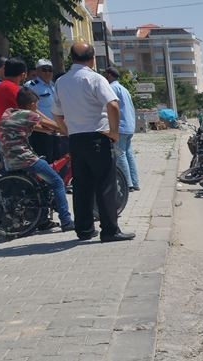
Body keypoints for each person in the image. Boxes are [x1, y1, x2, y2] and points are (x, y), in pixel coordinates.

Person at [52, 42, 134, 242]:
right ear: (92, 58)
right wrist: (114, 132)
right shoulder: (95, 79)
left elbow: (57, 115)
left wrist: (68, 132)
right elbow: (113, 105)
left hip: (76, 139)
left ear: (71, 58)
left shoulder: (61, 82)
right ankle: (109, 230)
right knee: (106, 184)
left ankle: (85, 229)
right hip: (98, 136)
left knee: (81, 185)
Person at [0, 88, 74, 232]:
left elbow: (39, 127)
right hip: (24, 158)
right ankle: (66, 221)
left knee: (42, 181)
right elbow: (53, 124)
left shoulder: (9, 113)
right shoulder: (29, 114)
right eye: (36, 105)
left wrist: (49, 131)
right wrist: (68, 130)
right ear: (32, 104)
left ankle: (42, 220)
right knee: (57, 181)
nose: (37, 108)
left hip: (8, 160)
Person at [104, 67, 140, 191]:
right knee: (129, 154)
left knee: (120, 155)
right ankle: (135, 182)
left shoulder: (112, 88)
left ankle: (127, 184)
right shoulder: (124, 89)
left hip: (121, 127)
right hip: (129, 126)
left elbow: (110, 107)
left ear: (108, 75)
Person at [26, 58, 58, 161]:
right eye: (44, 69)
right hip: (41, 129)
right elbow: (28, 109)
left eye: (50, 70)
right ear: (37, 71)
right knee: (45, 159)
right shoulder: (31, 86)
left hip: (55, 128)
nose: (48, 72)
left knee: (57, 159)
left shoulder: (53, 85)